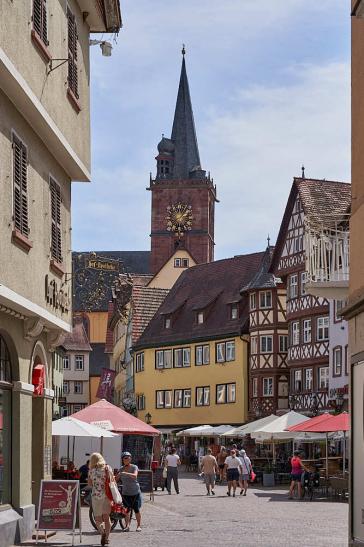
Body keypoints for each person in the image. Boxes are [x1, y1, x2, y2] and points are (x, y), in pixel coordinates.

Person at [88, 452, 114, 545]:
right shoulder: (108, 468)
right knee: (107, 518)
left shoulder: (91, 470)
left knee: (98, 520)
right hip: (106, 496)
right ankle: (106, 538)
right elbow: (112, 481)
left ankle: (102, 533)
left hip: (96, 496)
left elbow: (90, 484)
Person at [117, 452, 142, 532]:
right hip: (126, 492)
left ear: (130, 459)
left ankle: (138, 526)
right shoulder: (121, 469)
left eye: (128, 457)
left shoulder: (134, 467)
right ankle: (127, 526)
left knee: (136, 509)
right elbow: (117, 479)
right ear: (122, 460)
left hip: (135, 491)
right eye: (125, 458)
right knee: (127, 510)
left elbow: (135, 476)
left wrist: (125, 473)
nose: (127, 459)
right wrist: (114, 476)